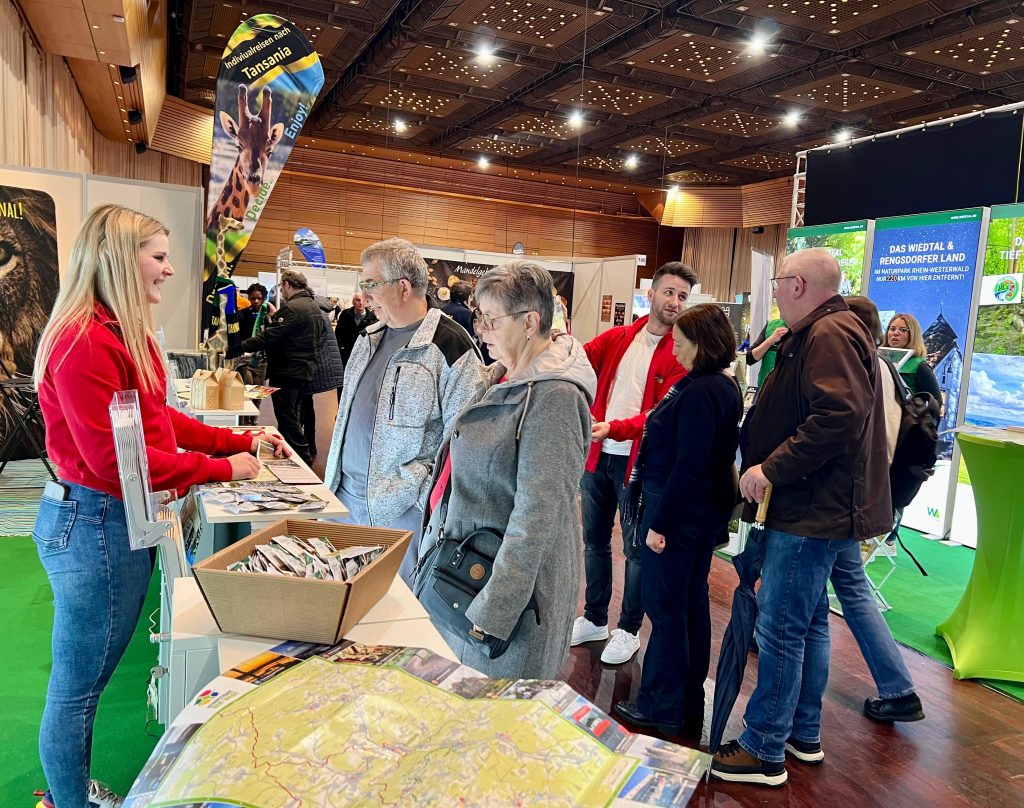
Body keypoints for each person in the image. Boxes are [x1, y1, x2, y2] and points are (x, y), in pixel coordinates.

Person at [31, 204, 286, 808]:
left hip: (105, 520)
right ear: (122, 258)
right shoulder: (87, 342)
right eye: (160, 256)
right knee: (78, 688)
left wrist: (235, 440)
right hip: (93, 523)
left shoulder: (114, 333)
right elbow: (120, 462)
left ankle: (71, 791)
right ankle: (69, 800)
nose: (170, 271)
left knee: (84, 682)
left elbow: (154, 420)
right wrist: (223, 468)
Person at [711, 248, 892, 786]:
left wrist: (772, 468)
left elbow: (838, 416)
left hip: (811, 507)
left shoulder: (829, 333)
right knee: (807, 621)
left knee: (783, 626)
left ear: (797, 285)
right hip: (818, 506)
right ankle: (801, 733)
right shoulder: (827, 330)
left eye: (779, 283)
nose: (776, 292)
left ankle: (765, 748)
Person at [416, 260, 596, 678]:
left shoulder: (556, 398)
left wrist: (495, 611)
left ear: (530, 321)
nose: (481, 329)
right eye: (480, 317)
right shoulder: (502, 375)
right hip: (466, 574)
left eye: (491, 320)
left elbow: (537, 517)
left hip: (507, 602)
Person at [324, 239, 485, 585]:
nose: (364, 296)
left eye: (371, 285)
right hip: (342, 504)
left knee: (389, 627)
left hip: (400, 516)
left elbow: (465, 443)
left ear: (403, 287)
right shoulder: (368, 337)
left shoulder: (451, 346)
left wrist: (415, 487)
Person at [613, 304, 741, 737]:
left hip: (678, 513)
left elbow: (690, 465)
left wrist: (659, 525)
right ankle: (685, 701)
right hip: (692, 514)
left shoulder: (703, 390)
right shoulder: (712, 386)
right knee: (687, 606)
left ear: (701, 342)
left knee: (666, 607)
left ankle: (661, 704)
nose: (675, 348)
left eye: (682, 341)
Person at [572, 261, 698, 665]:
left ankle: (627, 628)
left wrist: (614, 428)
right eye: (669, 292)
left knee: (637, 551)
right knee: (593, 541)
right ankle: (594, 617)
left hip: (638, 467)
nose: (675, 302)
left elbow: (659, 415)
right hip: (597, 457)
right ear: (652, 294)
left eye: (682, 296)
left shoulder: (680, 354)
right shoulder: (620, 337)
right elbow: (577, 360)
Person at [840, 297, 925, 723]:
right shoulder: (887, 369)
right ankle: (898, 688)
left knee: (829, 592)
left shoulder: (865, 370)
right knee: (851, 588)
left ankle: (899, 688)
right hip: (865, 496)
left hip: (846, 501)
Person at [240, 269, 323, 465]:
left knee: (287, 417)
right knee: (292, 414)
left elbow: (270, 337)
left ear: (287, 284)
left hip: (287, 370)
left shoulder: (292, 308)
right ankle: (290, 454)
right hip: (303, 370)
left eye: (282, 287)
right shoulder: (313, 306)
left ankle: (303, 457)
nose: (282, 292)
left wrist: (240, 347)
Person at [299, 295, 345, 460]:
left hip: (308, 367)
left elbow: (309, 343)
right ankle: (310, 443)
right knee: (306, 404)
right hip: (317, 368)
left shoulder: (312, 314)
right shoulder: (322, 313)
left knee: (301, 405)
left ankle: (304, 445)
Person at [885, 313, 941, 400]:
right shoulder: (878, 359)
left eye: (903, 330)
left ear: (912, 335)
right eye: (892, 329)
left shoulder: (920, 366)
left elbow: (936, 402)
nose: (896, 333)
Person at [334, 291, 377, 370]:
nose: (361, 303)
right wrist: (340, 347)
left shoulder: (371, 317)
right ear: (353, 302)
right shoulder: (345, 314)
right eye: (358, 300)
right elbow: (338, 333)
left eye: (364, 300)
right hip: (346, 351)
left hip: (363, 353)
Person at [746, 317, 788, 387]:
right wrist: (770, 340)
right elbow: (750, 358)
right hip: (765, 387)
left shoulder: (807, 329)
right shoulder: (771, 326)